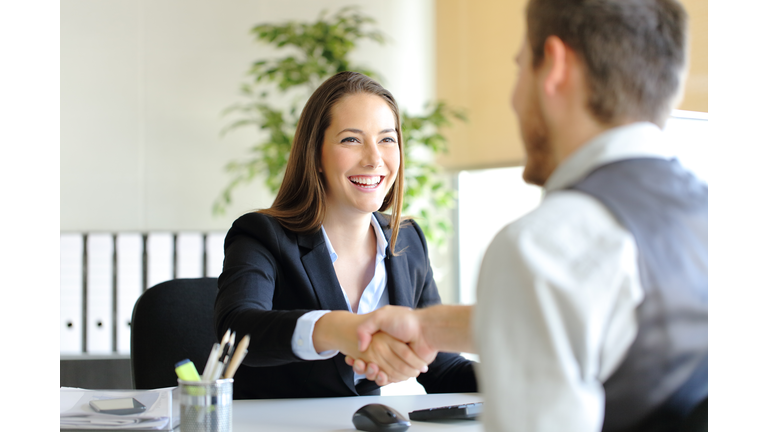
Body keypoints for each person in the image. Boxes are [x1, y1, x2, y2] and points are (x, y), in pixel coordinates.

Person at [348, 0, 707, 430]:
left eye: (521, 68)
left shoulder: (542, 247)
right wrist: (431, 327)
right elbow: (607, 323)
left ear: (554, 67)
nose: (514, 99)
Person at [214, 71, 477, 399]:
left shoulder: (406, 241)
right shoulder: (262, 236)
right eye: (351, 139)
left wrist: (522, 373)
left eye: (387, 139)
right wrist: (340, 330)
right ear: (317, 155)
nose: (374, 159)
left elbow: (444, 368)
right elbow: (237, 331)